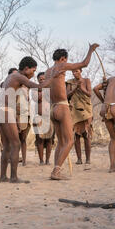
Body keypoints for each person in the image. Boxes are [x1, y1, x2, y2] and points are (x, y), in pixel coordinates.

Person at [0, 56, 59, 183]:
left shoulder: (12, 77)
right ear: (26, 68)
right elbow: (39, 87)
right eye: (33, 71)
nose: (34, 73)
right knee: (16, 144)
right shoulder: (19, 76)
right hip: (6, 111)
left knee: (7, 145)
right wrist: (53, 77)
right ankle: (13, 177)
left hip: (1, 111)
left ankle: (3, 177)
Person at [44, 44, 99, 180]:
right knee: (69, 141)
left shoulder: (47, 71)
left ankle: (56, 170)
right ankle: (56, 171)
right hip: (62, 107)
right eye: (66, 60)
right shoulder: (61, 66)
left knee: (61, 142)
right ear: (63, 58)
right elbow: (84, 63)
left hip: (53, 108)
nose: (67, 63)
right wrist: (91, 50)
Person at [66, 68, 93, 170]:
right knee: (76, 134)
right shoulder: (69, 83)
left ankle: (88, 159)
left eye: (76, 71)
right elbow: (66, 95)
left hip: (86, 109)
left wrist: (81, 88)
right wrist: (74, 89)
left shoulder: (86, 80)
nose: (74, 73)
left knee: (86, 133)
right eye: (73, 71)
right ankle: (79, 159)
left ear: (80, 71)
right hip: (74, 109)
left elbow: (89, 94)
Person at [32, 72, 54, 165]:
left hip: (49, 117)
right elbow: (36, 99)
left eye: (44, 79)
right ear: (38, 80)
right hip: (39, 117)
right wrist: (44, 89)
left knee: (49, 139)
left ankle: (48, 160)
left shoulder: (50, 89)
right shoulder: (35, 89)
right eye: (40, 79)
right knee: (39, 139)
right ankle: (41, 160)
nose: (42, 80)